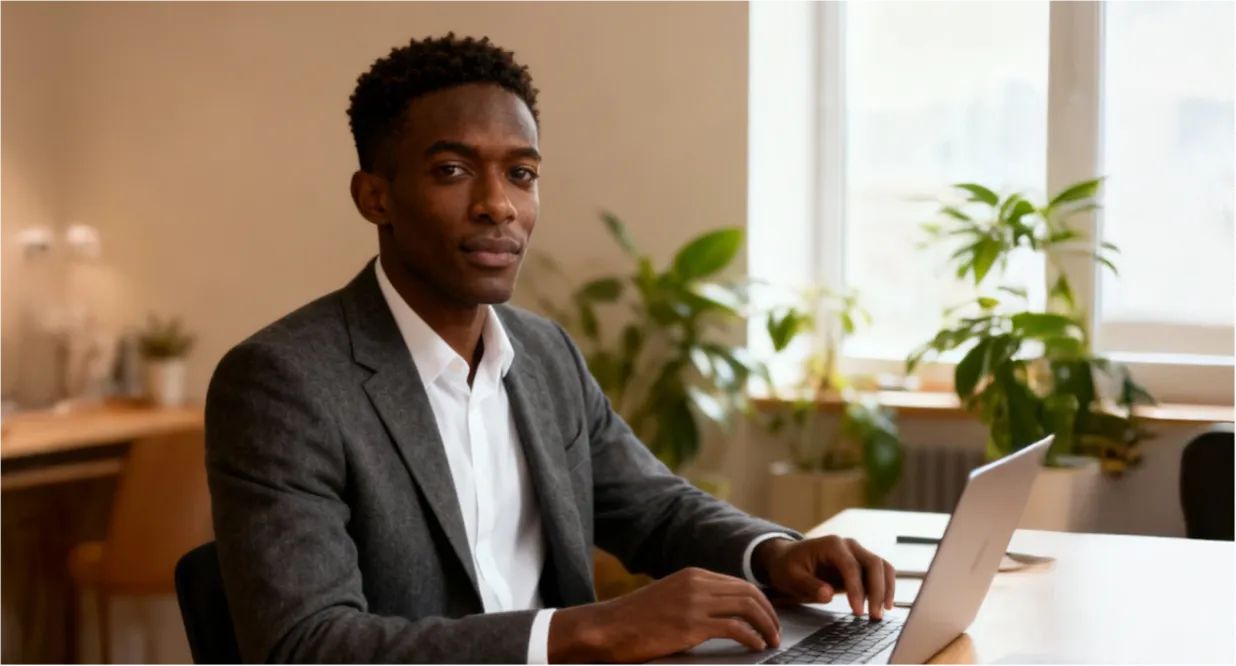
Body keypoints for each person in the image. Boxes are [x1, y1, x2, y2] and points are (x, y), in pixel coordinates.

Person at [204, 33, 895, 665]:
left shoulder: (543, 354)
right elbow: (306, 645)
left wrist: (774, 553)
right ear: (375, 197)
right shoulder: (283, 383)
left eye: (522, 174)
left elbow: (654, 508)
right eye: (452, 170)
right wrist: (588, 630)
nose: (498, 205)